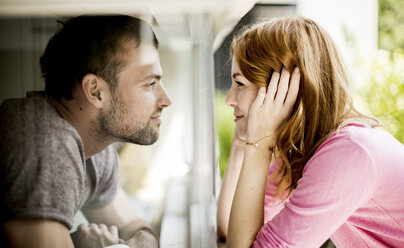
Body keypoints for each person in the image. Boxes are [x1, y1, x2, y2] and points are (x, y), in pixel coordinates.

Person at [217, 16, 404, 248]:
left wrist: (258, 144)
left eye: (241, 84)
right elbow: (229, 226)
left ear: (284, 90)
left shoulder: (349, 152)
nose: (229, 100)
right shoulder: (303, 153)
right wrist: (242, 143)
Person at [0, 14, 171, 248]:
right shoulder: (45, 146)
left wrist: (140, 240)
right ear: (95, 91)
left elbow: (136, 228)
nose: (166, 100)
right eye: (150, 83)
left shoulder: (95, 145)